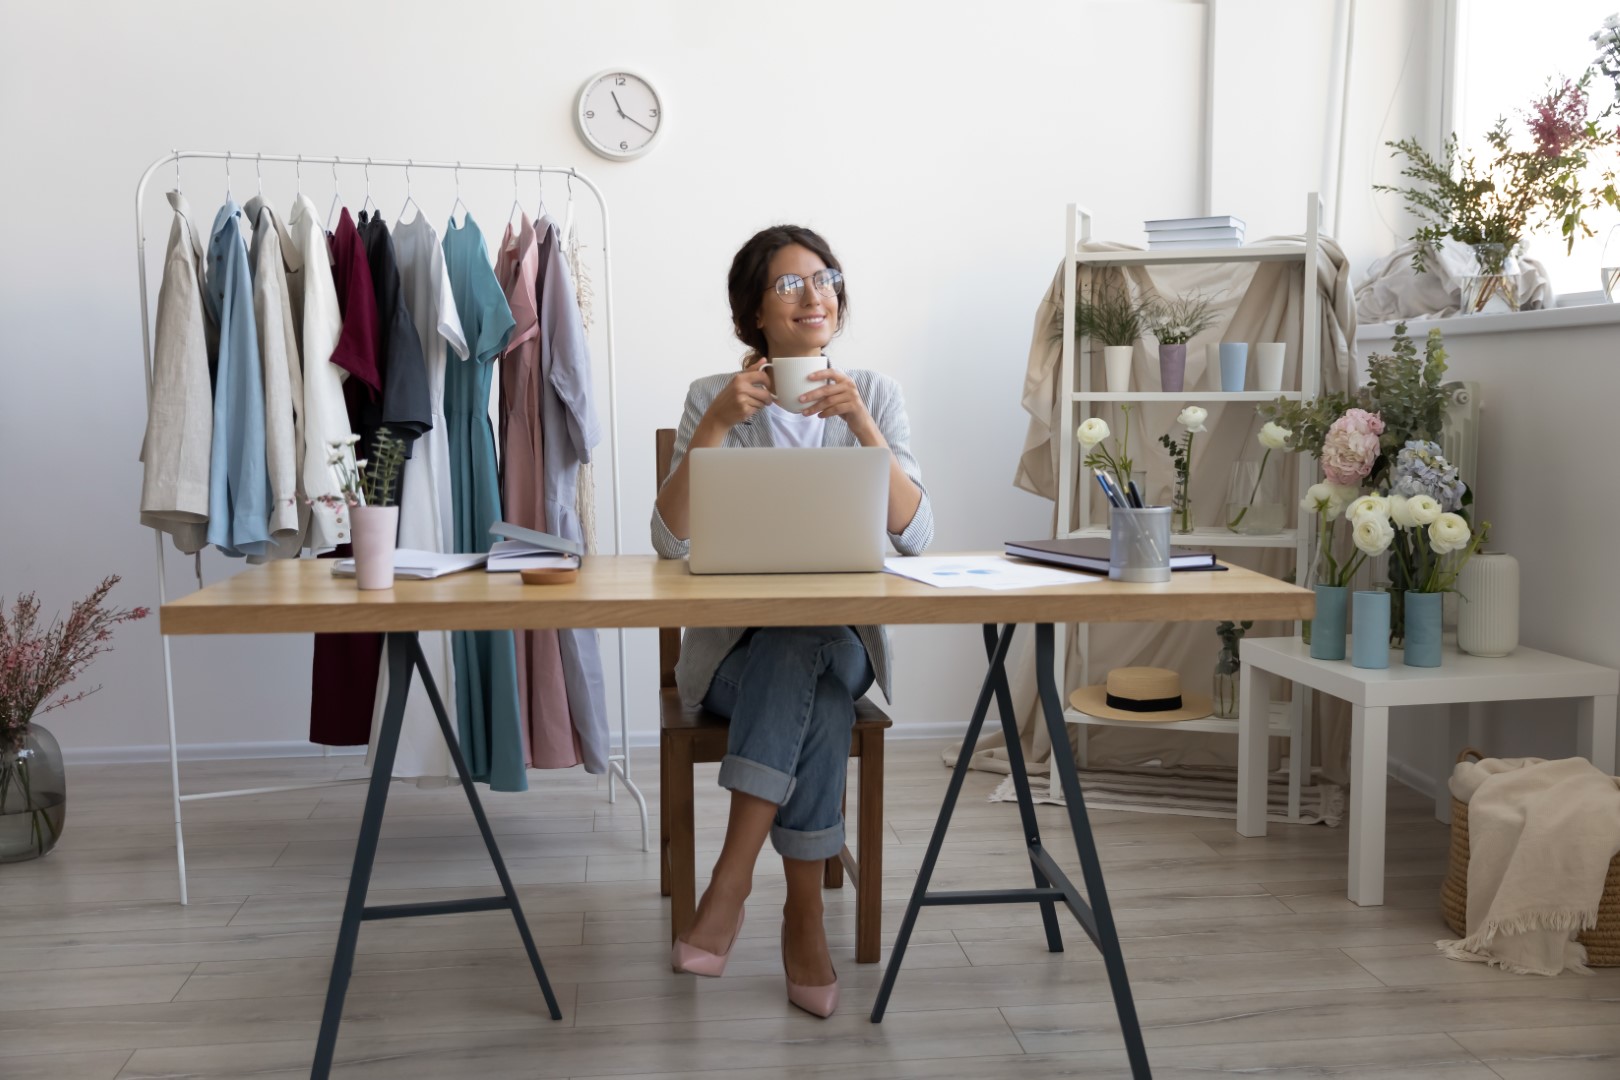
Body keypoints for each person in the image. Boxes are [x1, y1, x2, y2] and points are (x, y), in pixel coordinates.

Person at [650, 225, 933, 1017]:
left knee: (809, 635)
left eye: (826, 278)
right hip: (738, 660)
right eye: (791, 284)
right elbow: (669, 539)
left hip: (846, 644)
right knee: (799, 659)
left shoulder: (872, 392)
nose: (816, 295)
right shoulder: (716, 397)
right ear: (754, 313)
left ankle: (730, 880)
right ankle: (802, 915)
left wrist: (863, 429)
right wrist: (708, 433)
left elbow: (916, 532)